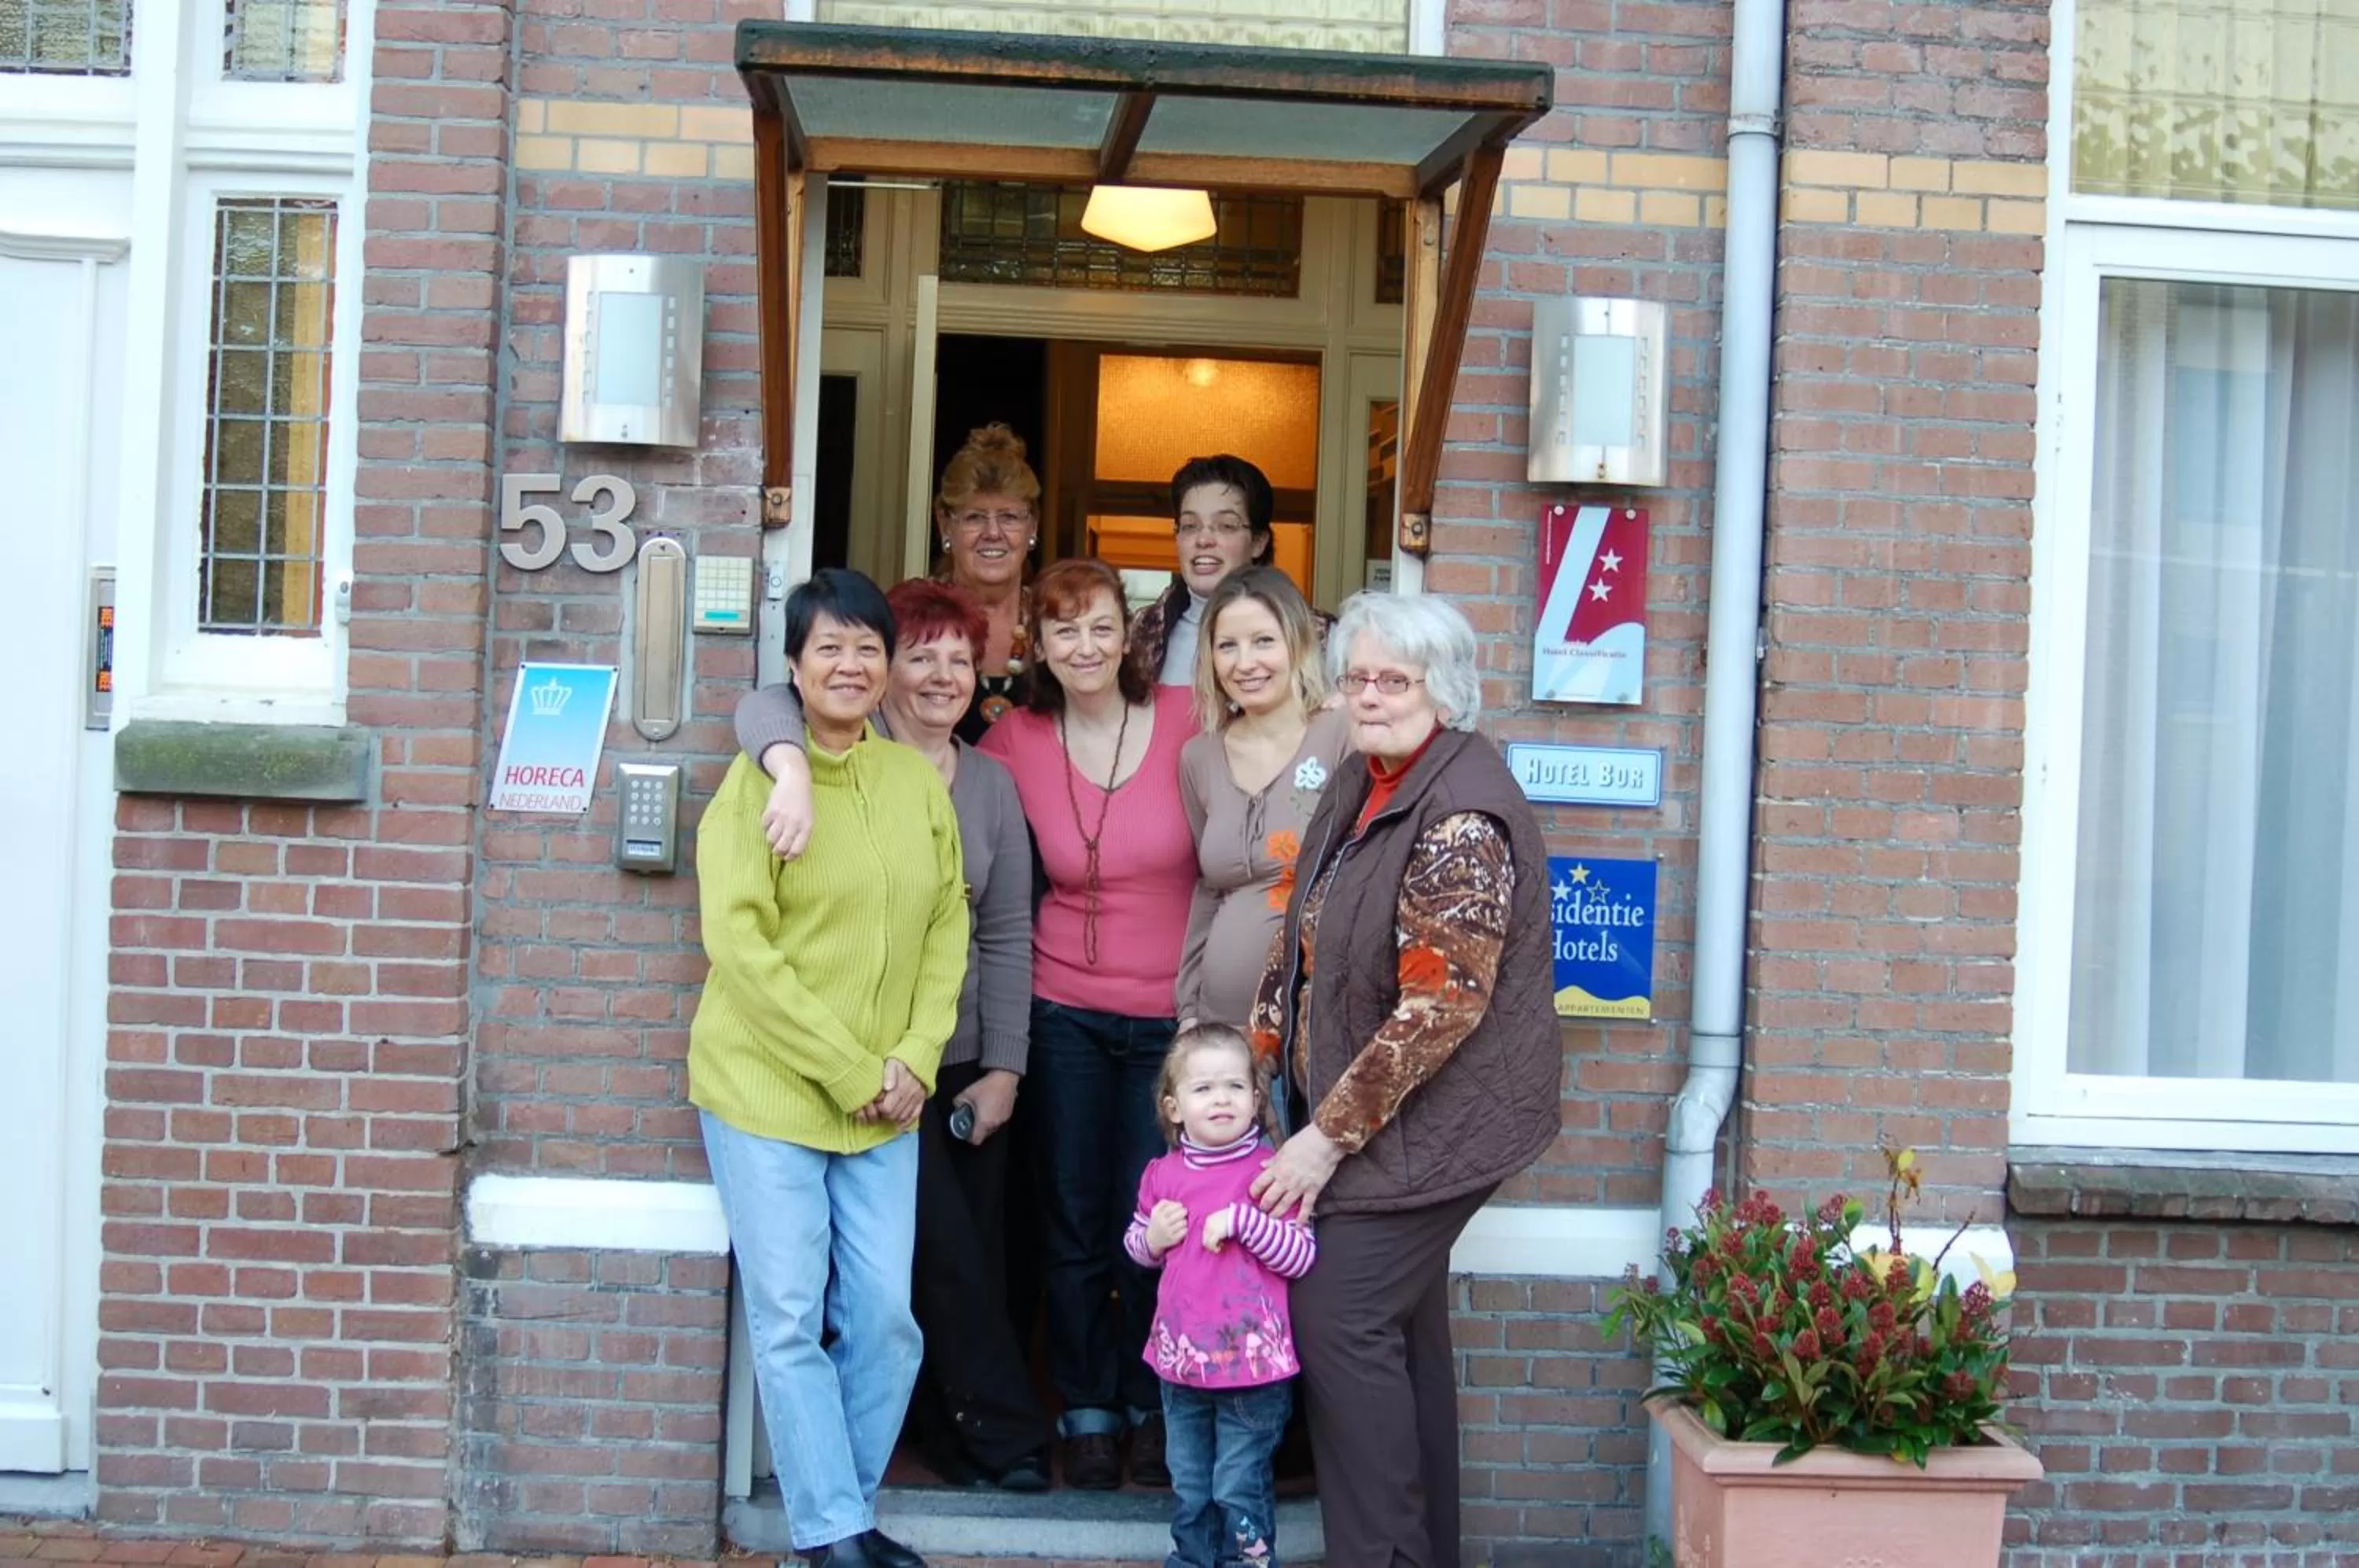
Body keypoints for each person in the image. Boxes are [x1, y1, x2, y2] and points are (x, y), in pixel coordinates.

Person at [1246, 592, 1563, 1568]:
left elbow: (1441, 1006)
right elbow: (1303, 942)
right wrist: (1261, 1068)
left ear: (1445, 689)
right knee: (1401, 1329)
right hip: (1375, 1116)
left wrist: (1319, 1136)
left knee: (1340, 1314)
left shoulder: (1461, 810)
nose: (1370, 695)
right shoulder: (1365, 777)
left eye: (1394, 679)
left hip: (1439, 1123)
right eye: (1356, 677)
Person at [733, 579, 1053, 1493]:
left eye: (961, 657)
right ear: (883, 671)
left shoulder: (990, 781)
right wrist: (788, 764)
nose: (943, 675)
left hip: (954, 1058)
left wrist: (1005, 1067)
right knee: (921, 1265)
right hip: (854, 1063)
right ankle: (1000, 1436)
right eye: (922, 655)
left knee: (969, 1261)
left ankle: (950, 1438)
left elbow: (999, 931)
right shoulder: (829, 747)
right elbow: (759, 701)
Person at [691, 569, 970, 1568]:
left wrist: (914, 1056)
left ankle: (834, 1511)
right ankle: (836, 1530)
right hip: (767, 1089)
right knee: (788, 1314)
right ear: (795, 668)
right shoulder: (756, 781)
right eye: (829, 650)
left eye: (867, 648)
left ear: (887, 665)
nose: (850, 666)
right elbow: (741, 947)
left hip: (886, 1098)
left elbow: (949, 924)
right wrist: (852, 1063)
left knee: (889, 1322)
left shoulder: (910, 780)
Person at [977, 556, 1201, 1491]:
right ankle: (1090, 1410)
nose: (1084, 645)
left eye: (1101, 624)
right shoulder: (1013, 738)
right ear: (1037, 640)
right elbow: (920, 762)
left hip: (1177, 1025)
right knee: (1072, 1225)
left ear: (1131, 629)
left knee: (1154, 1222)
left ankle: (1156, 1405)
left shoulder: (1192, 719)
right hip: (1062, 1011)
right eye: (1063, 628)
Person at [1124, 1025, 1316, 1568]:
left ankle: (1248, 1563)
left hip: (1252, 1373)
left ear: (1257, 1101)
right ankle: (1191, 1559)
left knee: (1238, 1485)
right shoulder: (1162, 1175)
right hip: (1180, 1368)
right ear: (1174, 1106)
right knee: (1189, 1483)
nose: (1221, 1098)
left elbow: (1302, 1256)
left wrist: (1246, 1224)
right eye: (1203, 1088)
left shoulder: (1272, 1171)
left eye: (1235, 1086)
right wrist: (1153, 1239)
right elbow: (1137, 1247)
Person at [1177, 566, 1350, 1032]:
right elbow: (1209, 892)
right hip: (1222, 1032)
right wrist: (1189, 1011)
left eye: (1264, 641)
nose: (1245, 663)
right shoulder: (1200, 758)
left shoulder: (1342, 734)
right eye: (1227, 646)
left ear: (1297, 642)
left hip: (1311, 1030)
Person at [1130, 455, 1283, 688]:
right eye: (1190, 526)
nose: (1203, 540)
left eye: (1226, 526)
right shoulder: (1138, 635)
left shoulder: (1315, 637)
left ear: (1258, 542)